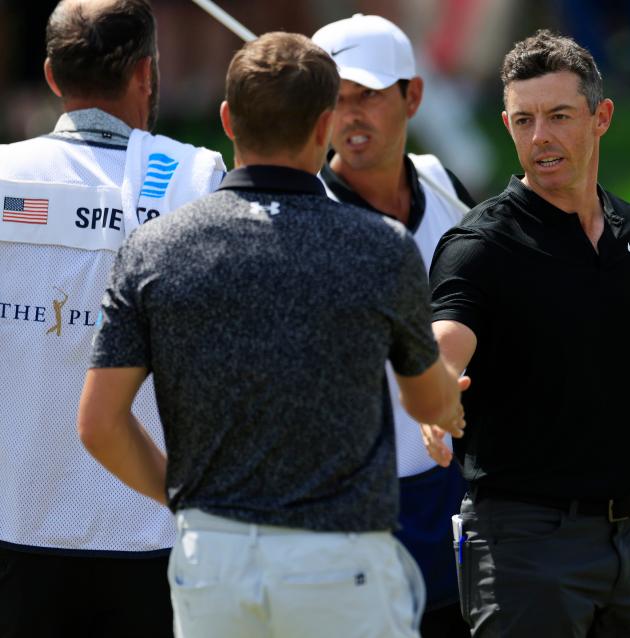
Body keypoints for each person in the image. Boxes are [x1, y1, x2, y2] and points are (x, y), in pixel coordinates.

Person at [76, 31, 468, 638]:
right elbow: (427, 402)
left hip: (213, 565)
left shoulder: (153, 249)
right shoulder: (379, 247)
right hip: (342, 562)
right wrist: (447, 386)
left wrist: (189, 504)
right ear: (322, 128)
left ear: (228, 119)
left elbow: (100, 424)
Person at [425, 30, 630, 637]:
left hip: (628, 543)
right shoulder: (481, 246)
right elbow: (446, 342)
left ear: (600, 117)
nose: (540, 138)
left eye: (558, 116)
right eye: (524, 120)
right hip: (523, 548)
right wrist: (437, 394)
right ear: (506, 124)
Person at [0, 1, 224, 636]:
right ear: (147, 75)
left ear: (49, 75)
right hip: (153, 530)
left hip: (16, 522)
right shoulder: (197, 178)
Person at [311, 14, 474, 637]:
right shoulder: (302, 216)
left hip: (454, 498)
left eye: (368, 96)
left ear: (412, 96)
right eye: (334, 99)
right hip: (358, 514)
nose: (350, 116)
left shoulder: (441, 182)